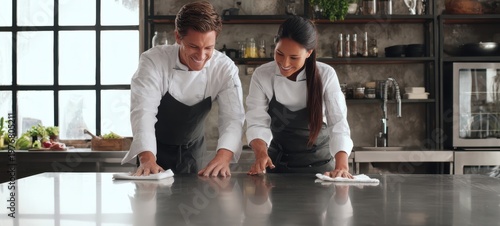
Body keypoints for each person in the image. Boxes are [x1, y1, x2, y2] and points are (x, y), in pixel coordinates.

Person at [121, 1, 245, 177]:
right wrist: (147, 158)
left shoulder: (224, 68)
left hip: (194, 155)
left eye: (208, 48)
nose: (201, 56)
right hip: (153, 153)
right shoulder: (154, 61)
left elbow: (233, 118)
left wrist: (224, 157)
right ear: (178, 37)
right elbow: (143, 112)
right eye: (194, 46)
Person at [245, 16, 353, 178]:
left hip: (322, 170)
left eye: (294, 57)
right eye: (279, 53)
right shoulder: (262, 75)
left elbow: (338, 124)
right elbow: (257, 122)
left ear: (309, 53)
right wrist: (261, 154)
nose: (285, 63)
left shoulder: (326, 75)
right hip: (277, 169)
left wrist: (342, 166)